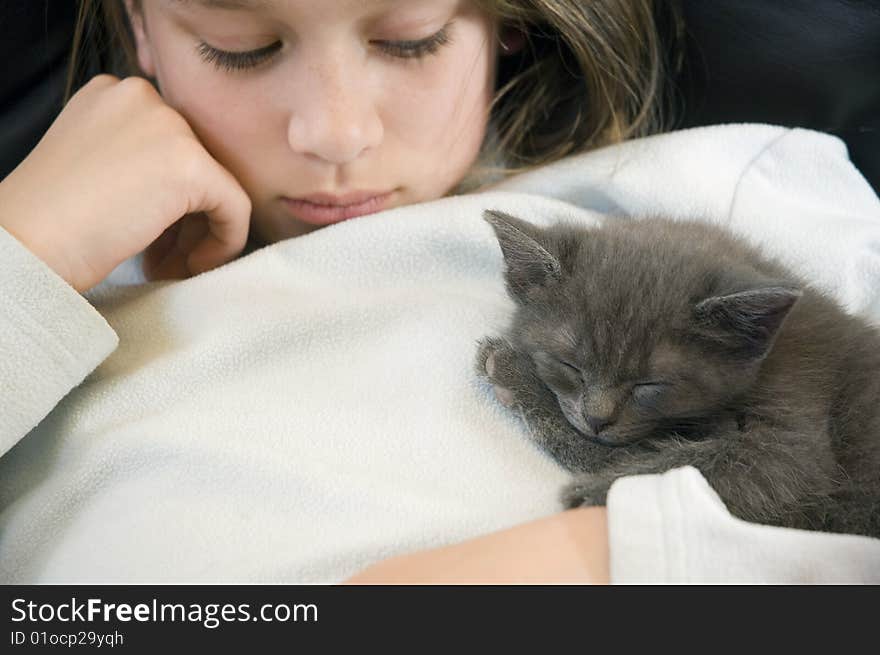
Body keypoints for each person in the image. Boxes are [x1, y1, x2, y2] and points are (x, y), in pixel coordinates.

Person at [0, 0, 877, 584]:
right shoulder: (54, 286)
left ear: (504, 22)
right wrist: (24, 245)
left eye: (410, 37)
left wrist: (605, 558)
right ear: (140, 26)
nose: (336, 131)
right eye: (241, 46)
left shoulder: (707, 193)